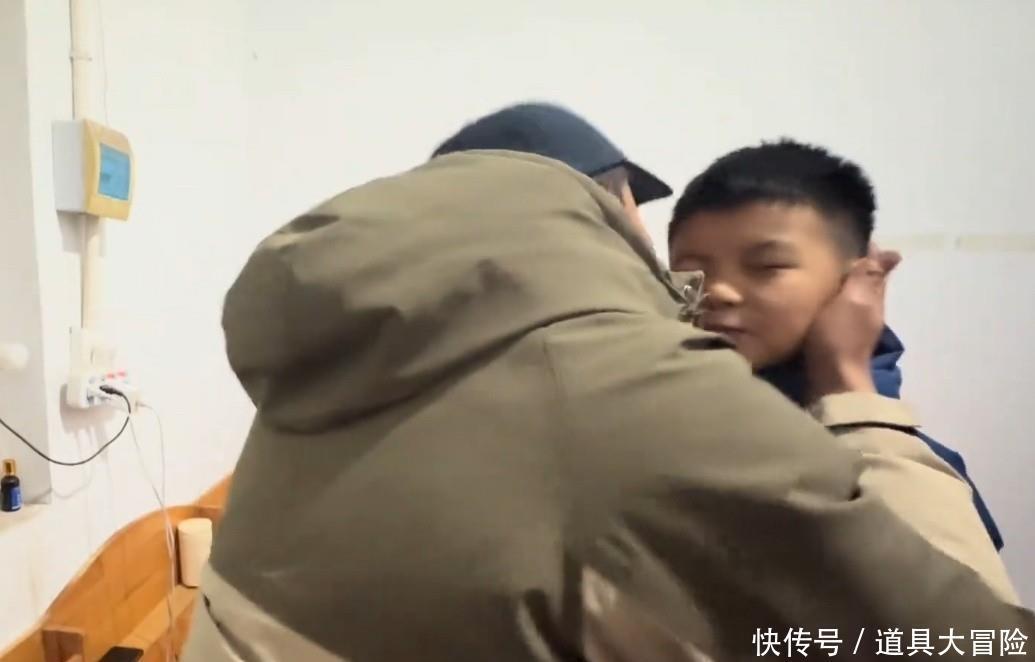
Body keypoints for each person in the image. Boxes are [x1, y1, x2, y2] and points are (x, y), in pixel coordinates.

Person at [183, 104, 1031, 662]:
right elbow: (966, 640)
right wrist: (855, 388)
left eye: (765, 265)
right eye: (674, 248)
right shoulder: (639, 398)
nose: (707, 290)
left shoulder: (330, 374)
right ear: (599, 211)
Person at [667, 139, 1004, 552]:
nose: (718, 291)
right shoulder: (663, 428)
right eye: (690, 272)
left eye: (767, 266)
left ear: (859, 281)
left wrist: (843, 378)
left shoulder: (902, 467)